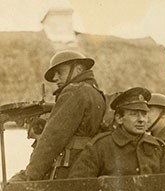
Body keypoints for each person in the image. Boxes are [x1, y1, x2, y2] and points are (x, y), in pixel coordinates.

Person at [14, 50, 106, 181]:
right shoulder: (96, 93)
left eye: (60, 72)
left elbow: (52, 137)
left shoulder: (74, 91)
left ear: (78, 69)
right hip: (88, 168)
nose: (55, 78)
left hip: (68, 170)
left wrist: (30, 175)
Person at [69, 87, 165, 178]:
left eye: (144, 114)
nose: (141, 119)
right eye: (134, 114)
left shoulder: (159, 148)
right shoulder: (99, 147)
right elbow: (78, 187)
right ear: (119, 118)